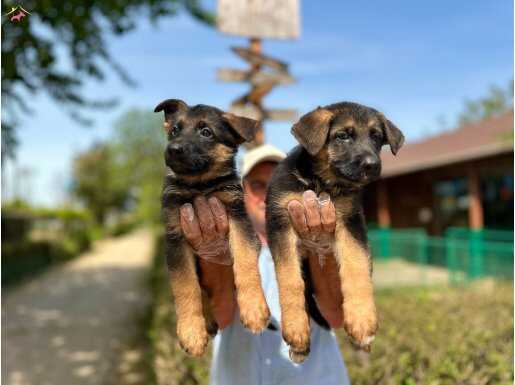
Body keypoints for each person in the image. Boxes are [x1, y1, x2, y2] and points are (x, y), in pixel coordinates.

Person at [178, 144, 351, 385]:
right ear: (241, 193)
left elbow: (337, 316)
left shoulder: (321, 242)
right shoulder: (222, 245)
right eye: (258, 185)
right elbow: (219, 317)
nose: (269, 194)